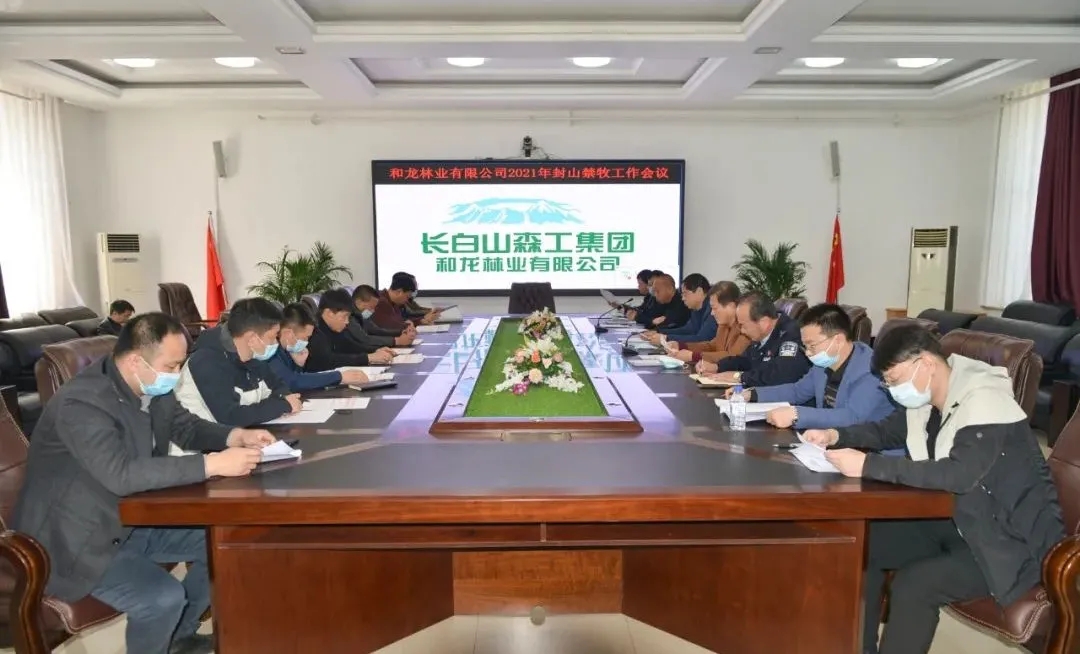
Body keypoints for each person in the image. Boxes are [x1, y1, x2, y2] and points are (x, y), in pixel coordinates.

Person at [11, 312, 275, 654]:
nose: (177, 375)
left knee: (227, 540)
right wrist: (210, 464)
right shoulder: (81, 404)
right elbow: (121, 474)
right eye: (172, 366)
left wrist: (235, 436)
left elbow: (186, 427)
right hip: (74, 540)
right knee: (163, 598)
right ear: (137, 361)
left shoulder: (149, 384)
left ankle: (177, 638)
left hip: (130, 519)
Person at [802, 324, 1064, 654]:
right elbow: (885, 432)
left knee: (915, 584)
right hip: (960, 521)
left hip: (1008, 542)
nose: (892, 390)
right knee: (861, 546)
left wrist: (867, 465)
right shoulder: (929, 400)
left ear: (925, 363)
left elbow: (958, 475)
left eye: (894, 380)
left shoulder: (986, 402)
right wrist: (836, 436)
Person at [732, 303, 895, 430]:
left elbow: (853, 417)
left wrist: (797, 414)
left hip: (870, 452)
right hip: (828, 441)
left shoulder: (870, 369)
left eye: (812, 345)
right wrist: (753, 394)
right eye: (805, 346)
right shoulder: (824, 364)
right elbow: (797, 391)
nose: (808, 353)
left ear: (838, 340)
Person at [175, 298, 301, 426]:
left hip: (239, 433)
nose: (276, 343)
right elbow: (230, 417)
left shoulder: (252, 356)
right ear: (252, 338)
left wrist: (282, 401)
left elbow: (279, 388)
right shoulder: (206, 361)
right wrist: (281, 406)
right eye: (273, 337)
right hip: (200, 438)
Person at [699, 292, 810, 387]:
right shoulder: (761, 335)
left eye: (743, 325)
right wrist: (717, 367)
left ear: (764, 323)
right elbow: (746, 360)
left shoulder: (792, 335)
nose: (742, 331)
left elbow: (780, 376)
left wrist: (739, 377)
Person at [269, 303, 370, 392]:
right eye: (306, 337)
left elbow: (295, 381)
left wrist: (298, 365)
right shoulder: (270, 352)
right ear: (288, 334)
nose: (306, 342)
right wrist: (340, 376)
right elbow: (292, 382)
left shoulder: (287, 350)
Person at [307, 288, 394, 372]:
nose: (347, 322)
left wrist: (375, 350)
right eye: (344, 316)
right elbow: (328, 360)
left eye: (348, 317)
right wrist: (368, 358)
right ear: (329, 313)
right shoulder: (313, 332)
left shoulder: (335, 328)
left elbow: (350, 345)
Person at [664, 281, 750, 365]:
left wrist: (693, 356)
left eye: (715, 308)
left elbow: (732, 356)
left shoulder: (745, 327)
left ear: (731, 306)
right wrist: (681, 346)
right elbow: (712, 346)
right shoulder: (723, 325)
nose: (712, 313)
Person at [642, 273, 715, 345]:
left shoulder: (713, 309)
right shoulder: (696, 308)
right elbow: (688, 329)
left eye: (685, 294)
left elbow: (702, 339)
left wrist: (666, 338)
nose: (683, 298)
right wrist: (659, 332)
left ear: (699, 291)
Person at [351, 284, 416, 347]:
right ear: (358, 302)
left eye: (374, 308)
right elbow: (365, 339)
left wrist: (401, 331)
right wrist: (396, 341)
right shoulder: (349, 317)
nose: (373, 311)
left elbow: (377, 331)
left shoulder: (363, 316)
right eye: (371, 307)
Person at [371, 272, 439, 331]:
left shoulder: (394, 303)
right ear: (399, 292)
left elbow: (401, 321)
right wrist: (415, 323)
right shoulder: (381, 302)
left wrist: (421, 321)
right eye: (407, 297)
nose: (407, 301)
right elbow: (392, 326)